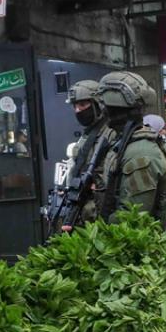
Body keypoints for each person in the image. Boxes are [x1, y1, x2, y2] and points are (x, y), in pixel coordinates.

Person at [95, 71, 166, 225]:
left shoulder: (140, 153)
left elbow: (133, 219)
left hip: (137, 244)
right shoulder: (125, 142)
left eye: (104, 105)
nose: (103, 110)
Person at [56, 79, 114, 227]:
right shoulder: (88, 135)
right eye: (75, 106)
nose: (78, 110)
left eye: (83, 105)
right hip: (84, 209)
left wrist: (98, 184)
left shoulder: (110, 133)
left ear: (98, 104)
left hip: (100, 212)